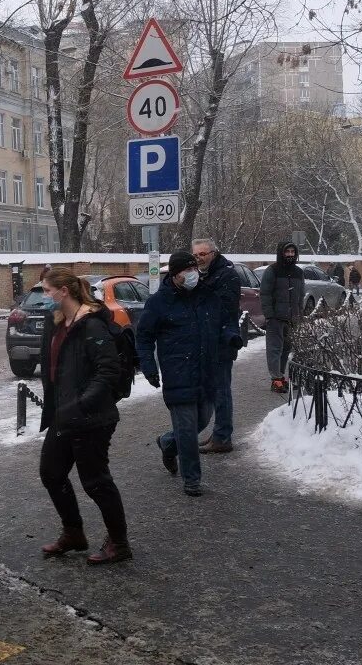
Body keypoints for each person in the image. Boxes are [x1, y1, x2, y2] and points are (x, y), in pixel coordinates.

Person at [31, 267, 129, 564]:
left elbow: (108, 370)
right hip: (64, 415)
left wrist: (84, 403)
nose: (44, 297)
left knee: (96, 481)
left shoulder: (92, 324)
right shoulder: (59, 322)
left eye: (47, 291)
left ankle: (119, 543)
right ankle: (74, 532)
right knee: (51, 472)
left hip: (91, 418)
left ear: (64, 291)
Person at [136, 252, 224, 496]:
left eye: (194, 269)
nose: (192, 274)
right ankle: (192, 479)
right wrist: (149, 368)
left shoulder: (206, 296)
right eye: (186, 271)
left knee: (202, 420)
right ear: (174, 275)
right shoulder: (159, 302)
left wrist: (229, 339)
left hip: (205, 371)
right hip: (178, 372)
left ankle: (167, 442)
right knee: (186, 429)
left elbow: (220, 322)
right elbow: (143, 337)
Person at [192, 238, 242, 455]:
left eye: (203, 254)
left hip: (222, 340)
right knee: (214, 390)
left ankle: (222, 437)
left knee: (221, 391)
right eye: (196, 255)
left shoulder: (226, 275)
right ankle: (219, 433)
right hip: (210, 342)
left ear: (214, 253)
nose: (199, 258)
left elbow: (223, 309)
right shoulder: (207, 274)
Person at [260, 242, 306, 393]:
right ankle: (276, 379)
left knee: (286, 349)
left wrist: (299, 314)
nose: (290, 254)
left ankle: (280, 375)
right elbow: (265, 294)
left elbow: (301, 295)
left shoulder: (299, 272)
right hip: (276, 318)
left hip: (292, 318)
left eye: (293, 251)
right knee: (274, 349)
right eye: (288, 251)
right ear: (282, 253)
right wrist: (269, 315)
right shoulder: (272, 270)